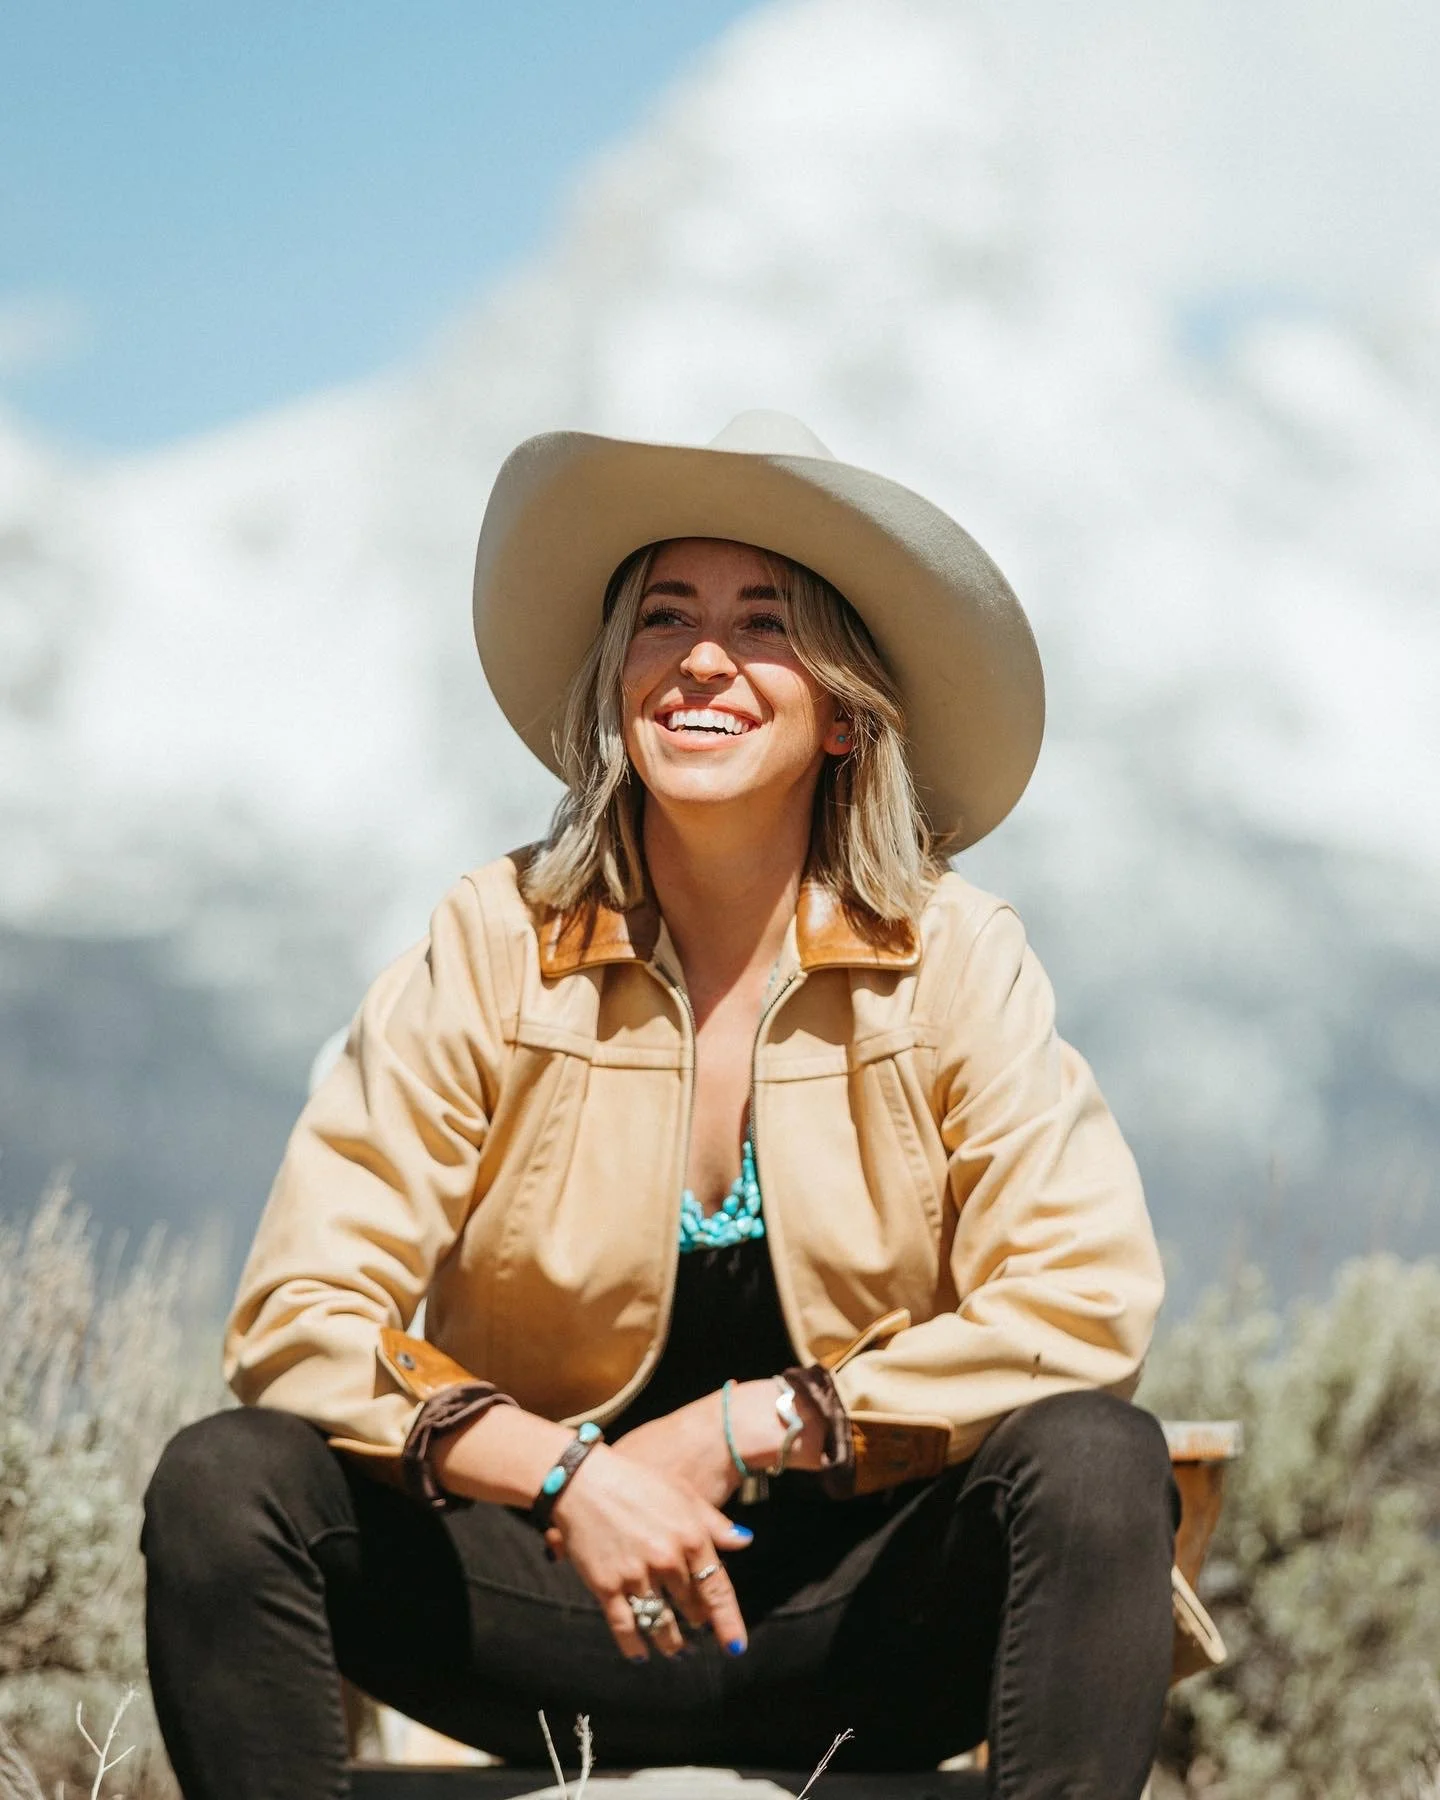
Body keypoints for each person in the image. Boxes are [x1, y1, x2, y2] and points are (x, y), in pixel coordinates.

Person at [142, 413, 1191, 1800]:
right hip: (544, 1615)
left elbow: (1081, 1302)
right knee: (226, 1481)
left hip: (864, 1632)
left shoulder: (955, 956)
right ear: (615, 682)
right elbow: (299, 1317)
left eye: (765, 622)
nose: (703, 659)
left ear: (842, 710)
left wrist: (758, 1423)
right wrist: (565, 1478)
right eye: (664, 617)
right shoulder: (492, 942)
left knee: (1099, 1462)